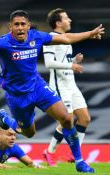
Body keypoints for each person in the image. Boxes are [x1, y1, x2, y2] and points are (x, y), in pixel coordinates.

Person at [0, 10, 104, 173]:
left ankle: (80, 162)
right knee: (30, 133)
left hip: (37, 86)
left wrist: (89, 34)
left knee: (67, 118)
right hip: (17, 96)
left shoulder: (37, 37)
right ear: (10, 27)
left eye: (23, 24)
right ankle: (8, 120)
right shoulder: (4, 42)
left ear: (29, 25)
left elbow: (65, 38)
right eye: (16, 24)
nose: (20, 27)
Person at [42, 8, 92, 166]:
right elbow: (49, 63)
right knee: (68, 120)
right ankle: (49, 152)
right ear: (58, 23)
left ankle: (73, 153)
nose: (70, 20)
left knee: (84, 119)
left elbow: (64, 61)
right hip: (60, 86)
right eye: (66, 18)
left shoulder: (66, 39)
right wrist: (71, 65)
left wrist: (74, 61)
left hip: (71, 85)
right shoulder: (50, 38)